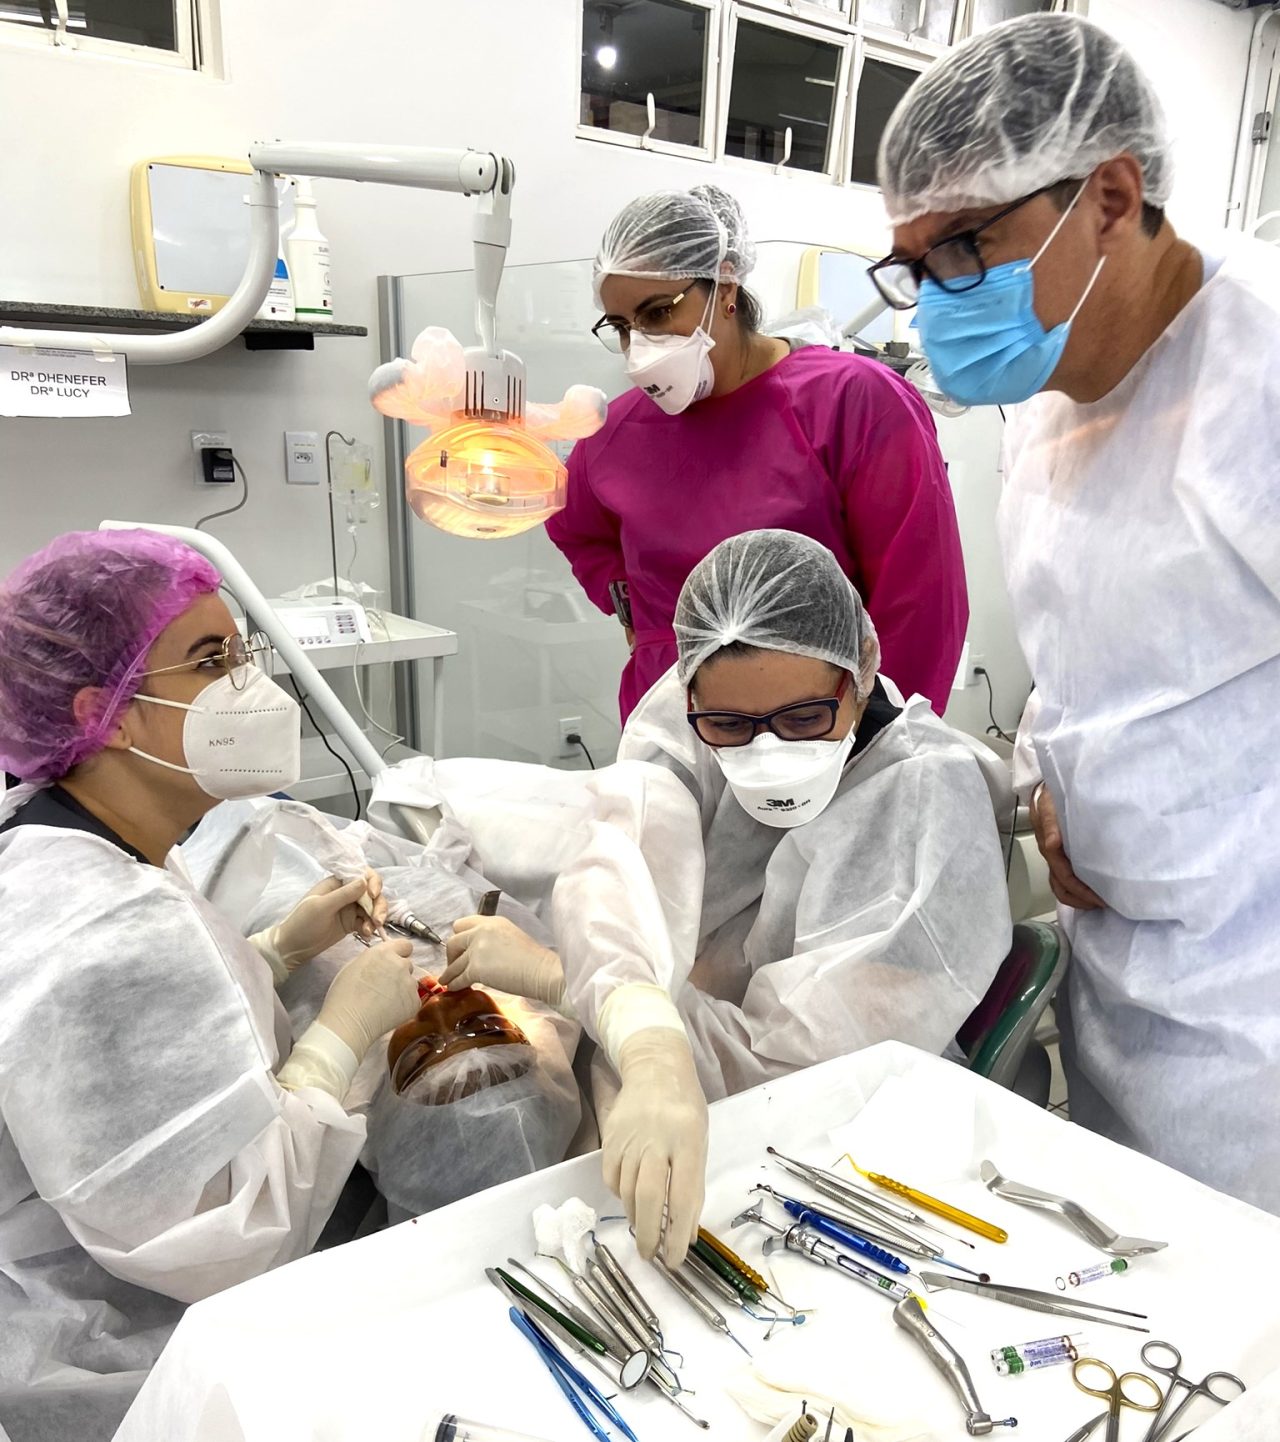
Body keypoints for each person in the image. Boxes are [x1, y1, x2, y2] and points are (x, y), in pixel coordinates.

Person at [873, 13, 1280, 1211]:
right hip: (1117, 979)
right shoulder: (1052, 407)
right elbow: (1090, 661)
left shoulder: (1256, 375)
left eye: (963, 247)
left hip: (1254, 1009)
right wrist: (1050, 786)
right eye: (913, 261)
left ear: (1108, 195)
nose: (935, 297)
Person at [442, 530, 1012, 1262]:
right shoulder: (686, 715)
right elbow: (623, 860)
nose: (768, 752)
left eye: (805, 718)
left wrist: (567, 982)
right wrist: (641, 1032)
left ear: (863, 667)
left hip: (832, 1147)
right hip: (689, 1063)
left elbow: (795, 1069)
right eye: (731, 727)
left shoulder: (924, 804)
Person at [0, 530, 423, 1440]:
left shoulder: (74, 843)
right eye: (210, 661)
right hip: (118, 1342)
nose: (250, 688)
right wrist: (342, 1035)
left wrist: (276, 950)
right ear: (103, 715)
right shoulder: (108, 933)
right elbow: (229, 1238)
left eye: (242, 652)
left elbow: (134, 1061)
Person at [545, 183, 968, 723]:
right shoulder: (613, 433)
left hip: (815, 727)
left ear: (724, 281)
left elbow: (922, 599)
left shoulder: (853, 402)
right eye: (623, 327)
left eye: (656, 313)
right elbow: (574, 525)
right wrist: (632, 606)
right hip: (671, 721)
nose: (639, 346)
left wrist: (888, 738)